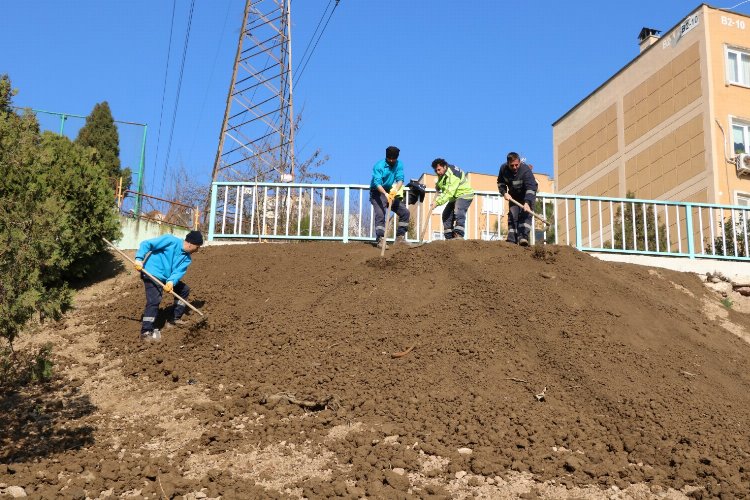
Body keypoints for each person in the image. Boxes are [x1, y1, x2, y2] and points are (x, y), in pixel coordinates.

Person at [133, 230, 203, 341]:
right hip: (151, 273)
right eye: (197, 247)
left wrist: (171, 282)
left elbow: (178, 272)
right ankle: (146, 331)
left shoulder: (187, 259)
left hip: (165, 278)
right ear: (190, 243)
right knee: (154, 300)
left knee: (184, 290)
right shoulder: (170, 240)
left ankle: (174, 319)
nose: (198, 250)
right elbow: (147, 244)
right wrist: (139, 259)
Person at [370, 145, 410, 249]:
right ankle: (380, 239)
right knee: (380, 213)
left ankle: (400, 238)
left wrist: (395, 190)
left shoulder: (399, 164)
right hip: (377, 192)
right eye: (389, 158)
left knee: (405, 212)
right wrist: (386, 194)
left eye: (394, 158)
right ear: (386, 156)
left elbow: (400, 179)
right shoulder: (379, 166)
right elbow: (377, 184)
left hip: (389, 191)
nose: (391, 160)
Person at [496, 152, 538, 246]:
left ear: (519, 163)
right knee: (512, 215)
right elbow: (501, 183)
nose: (515, 167)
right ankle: (512, 240)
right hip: (513, 196)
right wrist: (504, 193)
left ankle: (523, 238)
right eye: (512, 165)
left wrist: (527, 202)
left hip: (527, 195)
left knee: (525, 215)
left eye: (516, 165)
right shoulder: (503, 169)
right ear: (508, 164)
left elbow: (531, 188)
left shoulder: (525, 170)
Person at [431, 158, 474, 240]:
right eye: (436, 171)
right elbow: (443, 182)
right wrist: (438, 185)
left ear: (444, 166)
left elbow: (449, 191)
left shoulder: (453, 173)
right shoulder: (443, 173)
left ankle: (459, 234)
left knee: (458, 210)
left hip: (464, 194)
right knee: (446, 215)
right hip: (454, 197)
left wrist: (437, 202)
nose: (438, 172)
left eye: (439, 170)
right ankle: (449, 239)